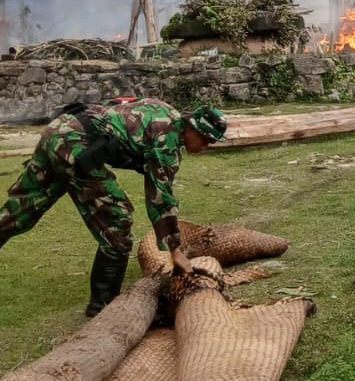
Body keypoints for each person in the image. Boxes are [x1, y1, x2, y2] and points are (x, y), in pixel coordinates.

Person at [0, 99, 228, 316]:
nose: (206, 147)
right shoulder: (167, 143)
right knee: (117, 221)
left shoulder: (165, 110)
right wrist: (175, 251)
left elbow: (118, 112)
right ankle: (103, 306)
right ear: (193, 129)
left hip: (60, 128)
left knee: (24, 206)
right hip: (76, 145)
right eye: (206, 140)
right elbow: (160, 197)